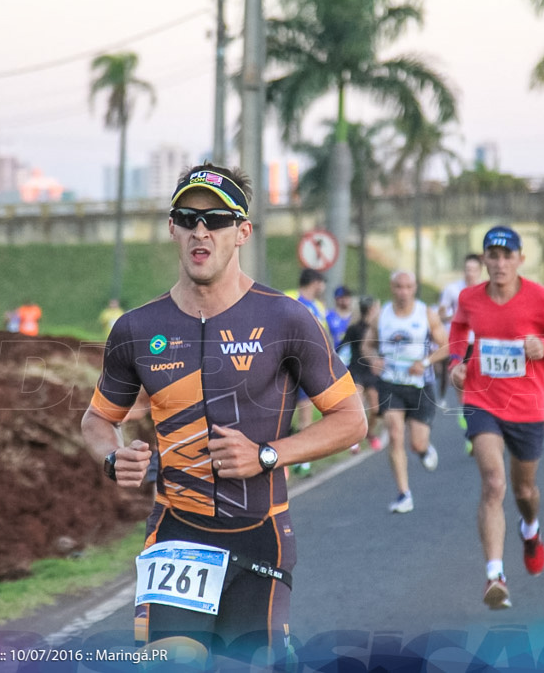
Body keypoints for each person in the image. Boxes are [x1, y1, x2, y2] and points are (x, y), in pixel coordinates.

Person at [81, 163, 367, 664]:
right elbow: (98, 420)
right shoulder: (136, 328)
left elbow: (351, 419)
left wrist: (268, 454)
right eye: (187, 217)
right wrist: (113, 458)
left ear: (242, 232)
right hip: (177, 533)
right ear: (172, 227)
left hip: (261, 534)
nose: (200, 230)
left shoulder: (286, 318)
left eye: (215, 219)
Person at [448, 225, 544, 610]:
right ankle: (495, 575)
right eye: (493, 255)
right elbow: (459, 328)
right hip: (481, 400)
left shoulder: (540, 299)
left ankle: (531, 530)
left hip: (526, 407)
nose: (500, 263)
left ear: (520, 260)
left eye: (508, 256)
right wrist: (457, 363)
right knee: (493, 484)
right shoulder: (470, 298)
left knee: (524, 492)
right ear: (485, 259)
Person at [367, 270, 448, 514]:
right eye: (399, 287)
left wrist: (423, 363)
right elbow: (367, 344)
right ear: (392, 288)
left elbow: (446, 347)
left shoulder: (426, 314)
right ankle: (404, 494)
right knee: (394, 432)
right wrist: (373, 359)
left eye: (408, 287)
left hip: (420, 385)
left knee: (416, 442)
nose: (404, 291)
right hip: (391, 382)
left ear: (415, 288)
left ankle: (424, 449)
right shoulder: (382, 316)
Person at [286, 268, 331, 475]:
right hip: (285, 367)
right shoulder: (289, 297)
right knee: (282, 416)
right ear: (316, 282)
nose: (323, 287)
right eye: (322, 283)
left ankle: (301, 462)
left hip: (306, 367)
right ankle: (282, 460)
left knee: (306, 415)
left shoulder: (320, 307)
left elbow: (322, 336)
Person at [338, 295, 384, 451]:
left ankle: (369, 433)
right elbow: (341, 347)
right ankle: (354, 439)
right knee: (356, 407)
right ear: (371, 310)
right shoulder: (354, 328)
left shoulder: (379, 329)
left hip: (371, 372)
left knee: (376, 410)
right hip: (356, 370)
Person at [438, 254, 483, 406]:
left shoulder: (485, 290)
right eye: (467, 269)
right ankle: (464, 406)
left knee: (478, 379)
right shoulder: (452, 289)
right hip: (458, 340)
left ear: (479, 271)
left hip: (478, 341)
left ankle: (473, 406)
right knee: (459, 377)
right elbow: (442, 314)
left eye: (473, 270)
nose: (470, 273)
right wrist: (456, 317)